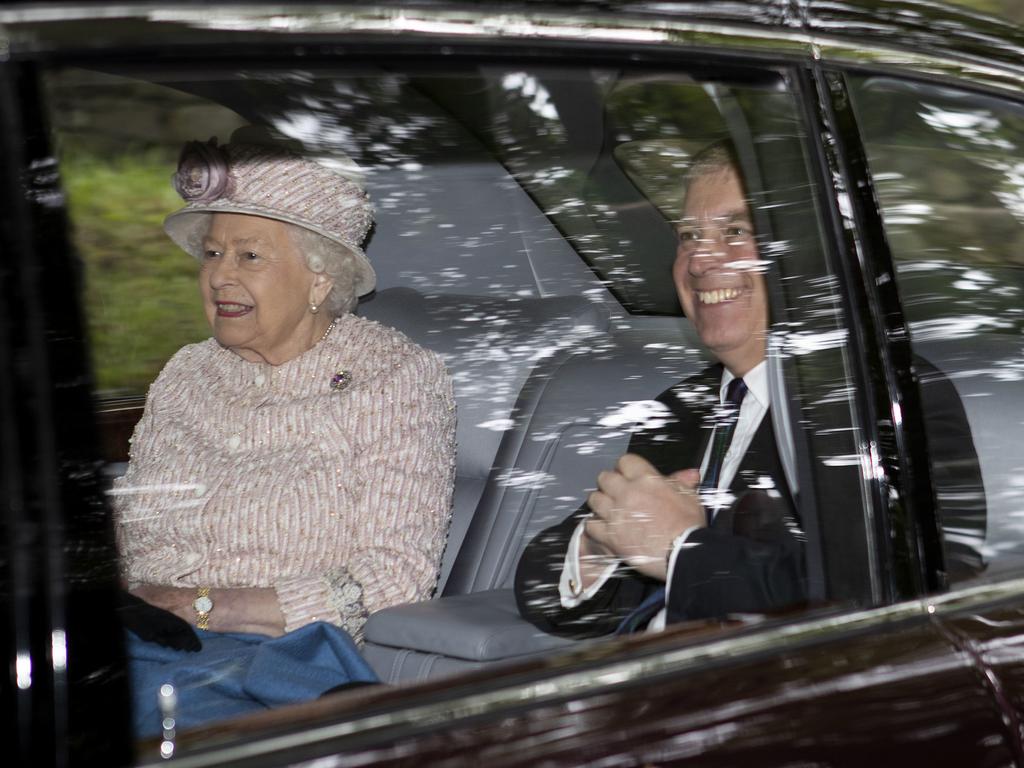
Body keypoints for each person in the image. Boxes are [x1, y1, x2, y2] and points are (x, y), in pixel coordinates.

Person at [514, 140, 985, 639]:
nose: (700, 260)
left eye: (736, 231)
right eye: (689, 236)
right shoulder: (681, 407)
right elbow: (540, 584)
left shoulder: (884, 401)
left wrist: (684, 549)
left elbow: (904, 602)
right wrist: (601, 547)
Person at [112, 130, 456, 734]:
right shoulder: (185, 372)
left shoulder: (394, 376)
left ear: (320, 278)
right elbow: (134, 517)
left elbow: (396, 574)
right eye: (213, 254)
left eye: (249, 256)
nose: (220, 276)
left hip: (271, 669)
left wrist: (206, 607)